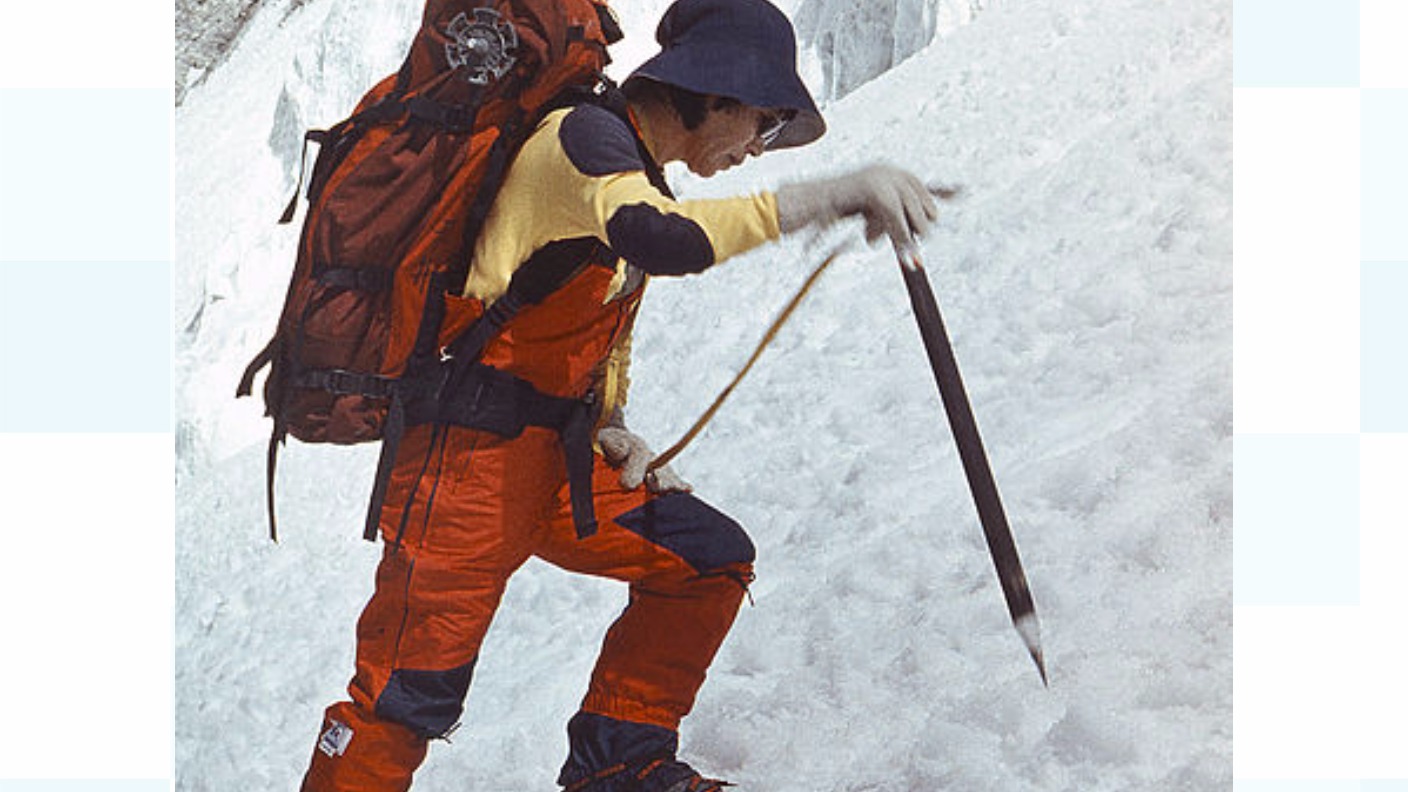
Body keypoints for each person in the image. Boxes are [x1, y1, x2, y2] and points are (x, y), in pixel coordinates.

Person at [299, 0, 938, 790]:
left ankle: (619, 770)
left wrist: (612, 424)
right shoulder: (585, 141)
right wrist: (829, 196)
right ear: (716, 94)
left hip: (550, 463)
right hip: (461, 474)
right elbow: (662, 239)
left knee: (706, 560)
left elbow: (585, 313)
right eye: (764, 124)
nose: (756, 149)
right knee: (404, 697)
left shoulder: (626, 161)